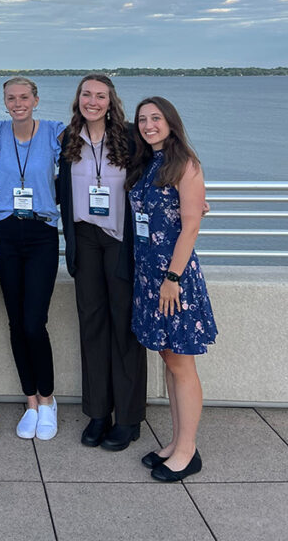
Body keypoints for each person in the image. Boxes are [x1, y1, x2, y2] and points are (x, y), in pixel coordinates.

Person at [127, 97, 217, 481]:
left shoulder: (185, 164)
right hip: (149, 276)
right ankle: (177, 441)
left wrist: (173, 279)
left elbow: (191, 226)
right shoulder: (149, 163)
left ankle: (187, 450)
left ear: (170, 122)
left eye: (156, 118)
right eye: (143, 120)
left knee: (181, 363)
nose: (148, 125)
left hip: (172, 280)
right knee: (168, 358)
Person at [57, 75, 147, 451]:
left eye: (100, 96)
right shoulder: (68, 139)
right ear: (78, 98)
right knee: (91, 324)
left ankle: (127, 418)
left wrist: (194, 198)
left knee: (124, 327)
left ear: (111, 102)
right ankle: (98, 413)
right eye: (86, 94)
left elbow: (166, 168)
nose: (92, 101)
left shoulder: (130, 136)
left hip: (119, 239)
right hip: (85, 238)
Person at [0, 76, 65, 440]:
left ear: (36, 100)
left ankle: (48, 399)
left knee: (35, 322)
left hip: (41, 233)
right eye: (11, 98)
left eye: (24, 97)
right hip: (3, 230)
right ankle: (30, 401)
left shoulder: (53, 132)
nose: (17, 103)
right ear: (4, 102)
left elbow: (99, 156)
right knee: (16, 323)